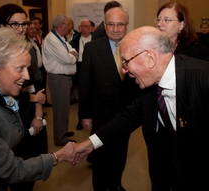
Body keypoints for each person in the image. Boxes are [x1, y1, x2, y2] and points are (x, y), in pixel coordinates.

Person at [73, 25, 209, 191]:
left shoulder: (203, 78)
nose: (123, 69)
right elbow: (127, 118)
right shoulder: (149, 88)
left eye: (125, 61)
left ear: (150, 58)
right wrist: (89, 144)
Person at [0, 27, 77, 191]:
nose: (26, 76)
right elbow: (12, 170)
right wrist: (58, 156)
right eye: (20, 68)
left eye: (27, 68)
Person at [78, 7, 140, 191]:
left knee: (120, 153)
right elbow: (84, 84)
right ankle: (100, 187)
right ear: (104, 25)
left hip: (125, 113)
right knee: (100, 156)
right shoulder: (92, 48)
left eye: (120, 24)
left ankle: (116, 184)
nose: (115, 28)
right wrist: (85, 115)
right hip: (100, 114)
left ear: (126, 25)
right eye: (111, 24)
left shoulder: (135, 47)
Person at [0, 4, 47, 191]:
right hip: (0, 117)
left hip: (24, 113)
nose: (21, 28)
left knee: (25, 168)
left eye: (23, 23)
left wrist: (38, 115)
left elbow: (36, 86)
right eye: (14, 24)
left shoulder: (28, 48)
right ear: (1, 26)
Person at [42, 14, 78, 146]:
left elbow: (72, 50)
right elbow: (67, 59)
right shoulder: (52, 39)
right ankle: (60, 138)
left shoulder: (60, 38)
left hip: (63, 79)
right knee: (60, 109)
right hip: (59, 79)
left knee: (63, 108)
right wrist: (72, 55)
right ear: (61, 25)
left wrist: (72, 54)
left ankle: (62, 132)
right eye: (68, 24)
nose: (69, 27)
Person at [69, 18, 93, 130]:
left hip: (94, 67)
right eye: (85, 26)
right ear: (80, 29)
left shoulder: (96, 38)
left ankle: (93, 118)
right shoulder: (74, 41)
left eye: (89, 26)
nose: (88, 28)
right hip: (79, 68)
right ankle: (81, 120)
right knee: (82, 95)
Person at [31, 16, 52, 107]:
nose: (34, 26)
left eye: (36, 24)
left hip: (46, 62)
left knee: (44, 84)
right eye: (32, 24)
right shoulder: (31, 38)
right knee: (38, 84)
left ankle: (44, 100)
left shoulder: (46, 35)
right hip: (37, 65)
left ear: (41, 24)